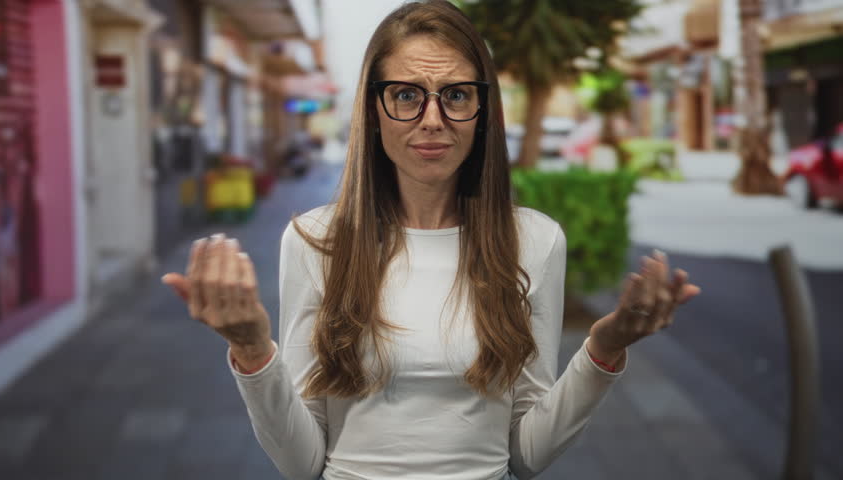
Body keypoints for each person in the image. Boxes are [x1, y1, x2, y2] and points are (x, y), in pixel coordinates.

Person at [161, 1, 702, 479]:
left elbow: (527, 456)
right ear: (373, 111)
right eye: (406, 95)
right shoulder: (315, 241)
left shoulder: (535, 241)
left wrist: (604, 349)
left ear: (482, 110)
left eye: (457, 95)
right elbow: (302, 464)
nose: (433, 120)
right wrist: (253, 352)